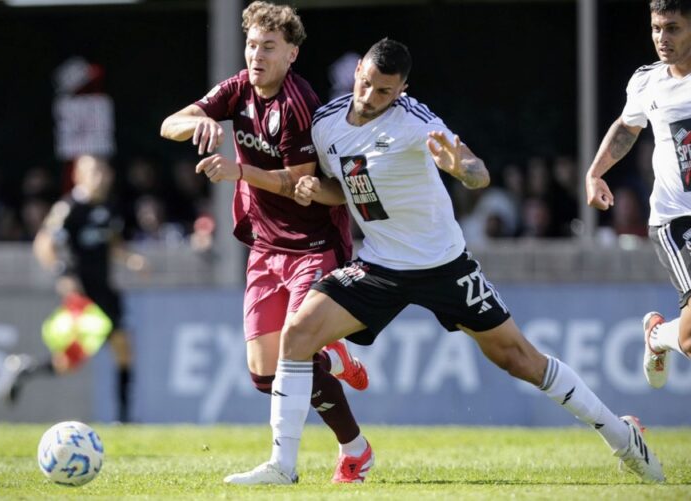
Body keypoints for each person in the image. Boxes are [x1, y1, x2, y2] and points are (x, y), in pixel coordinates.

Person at [225, 38, 666, 485]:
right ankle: (283, 466)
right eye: (366, 84)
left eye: (384, 92)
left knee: (518, 359)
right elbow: (348, 187)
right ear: (358, 70)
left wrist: (459, 167)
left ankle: (621, 436)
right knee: (297, 334)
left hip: (444, 266)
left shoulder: (416, 120)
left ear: (402, 90)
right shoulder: (325, 124)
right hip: (379, 265)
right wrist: (317, 191)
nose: (370, 97)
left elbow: (478, 172)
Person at [159, 1, 372, 483]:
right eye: (252, 44)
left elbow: (297, 185)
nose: (256, 55)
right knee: (263, 375)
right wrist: (202, 123)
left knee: (294, 355)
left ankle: (300, 462)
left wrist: (238, 171)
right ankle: (350, 426)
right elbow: (169, 124)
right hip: (264, 247)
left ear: (291, 54)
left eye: (268, 47)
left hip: (313, 242)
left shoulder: (299, 103)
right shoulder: (237, 89)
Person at [586, 0, 691, 390]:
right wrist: (595, 173)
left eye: (673, 28)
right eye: (656, 28)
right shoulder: (647, 80)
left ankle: (658, 336)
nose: (662, 39)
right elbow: (628, 128)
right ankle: (661, 337)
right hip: (677, 219)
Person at [0, 155, 146, 423]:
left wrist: (130, 259)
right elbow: (44, 243)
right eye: (93, 172)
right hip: (82, 296)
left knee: (124, 349)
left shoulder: (109, 209)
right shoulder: (69, 208)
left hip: (105, 291)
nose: (100, 177)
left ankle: (124, 419)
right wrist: (63, 273)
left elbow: (112, 243)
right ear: (79, 176)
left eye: (103, 171)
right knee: (69, 362)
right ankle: (26, 368)